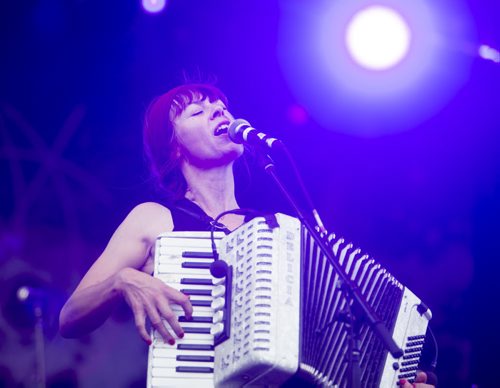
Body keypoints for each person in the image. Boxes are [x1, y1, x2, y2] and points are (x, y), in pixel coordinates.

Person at [59, 83, 435, 387]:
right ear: (174, 148)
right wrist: (122, 281)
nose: (219, 111)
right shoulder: (155, 219)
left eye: (220, 105)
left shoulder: (278, 235)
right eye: (198, 110)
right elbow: (69, 318)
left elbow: (331, 346)